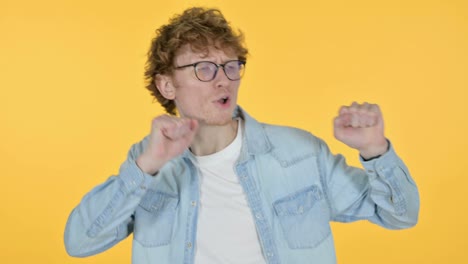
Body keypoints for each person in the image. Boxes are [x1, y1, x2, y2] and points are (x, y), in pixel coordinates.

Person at [64, 7, 419, 264]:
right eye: (204, 67)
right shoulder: (148, 167)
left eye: (231, 66)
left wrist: (375, 150)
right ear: (167, 84)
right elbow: (80, 242)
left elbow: (400, 215)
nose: (223, 79)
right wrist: (146, 166)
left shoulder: (300, 154)